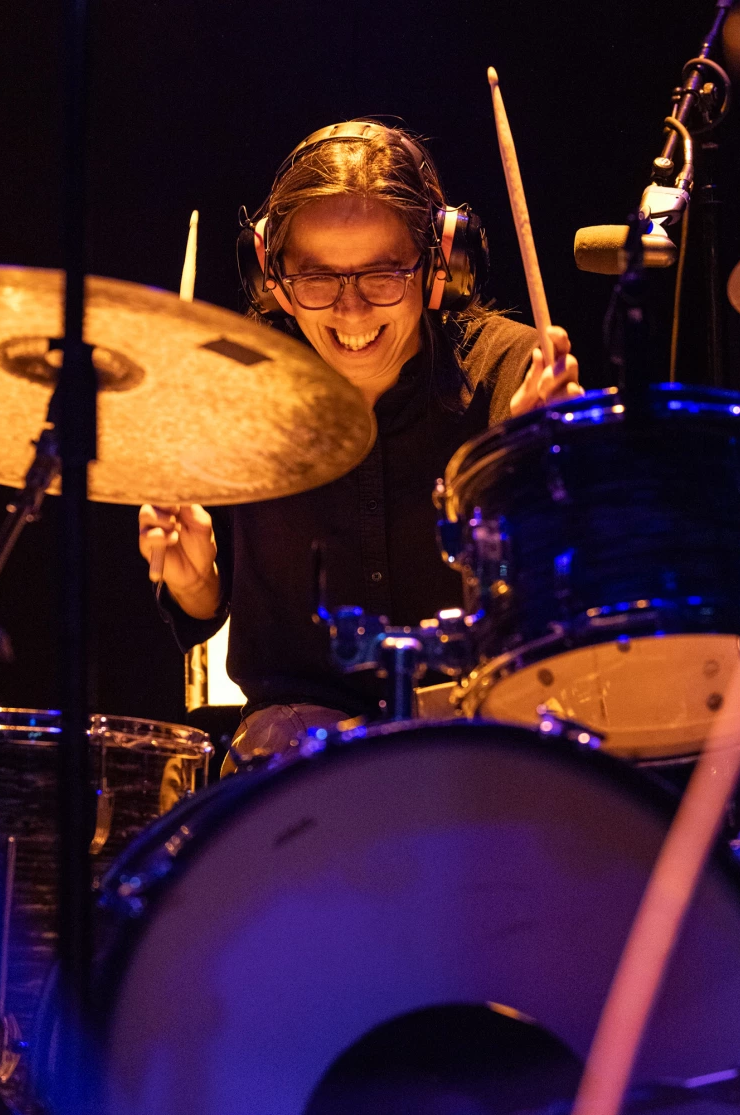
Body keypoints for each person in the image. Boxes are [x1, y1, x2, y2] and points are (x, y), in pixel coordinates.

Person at [139, 120, 582, 771]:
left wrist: (545, 474)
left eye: (382, 274)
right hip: (297, 760)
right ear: (272, 279)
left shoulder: (515, 375)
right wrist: (196, 581)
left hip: (486, 739)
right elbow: (207, 606)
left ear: (438, 267)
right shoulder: (238, 394)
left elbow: (579, 598)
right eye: (317, 278)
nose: (350, 311)